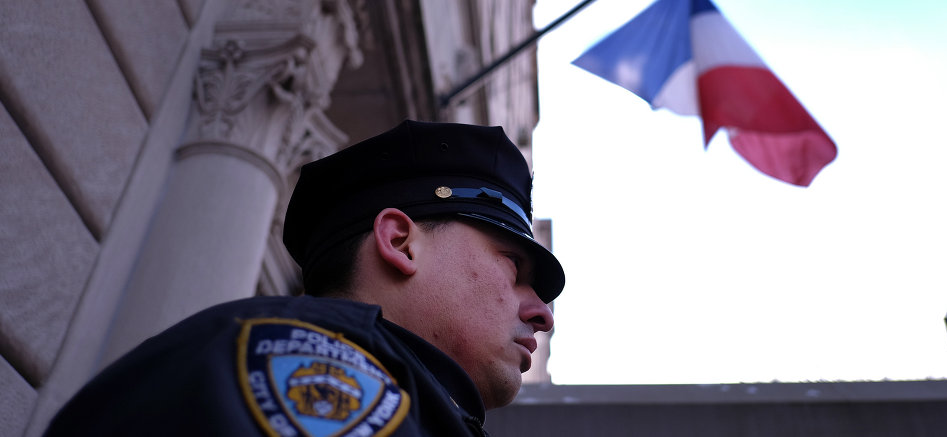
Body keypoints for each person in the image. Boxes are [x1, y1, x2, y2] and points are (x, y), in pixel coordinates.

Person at [43, 120, 565, 437]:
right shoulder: (307, 372)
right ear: (401, 242)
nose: (541, 314)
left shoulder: (412, 402)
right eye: (513, 267)